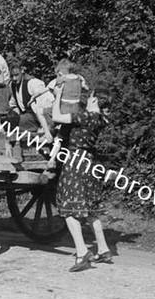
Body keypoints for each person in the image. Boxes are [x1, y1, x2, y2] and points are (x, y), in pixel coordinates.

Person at [52, 85, 113, 272]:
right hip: (90, 162)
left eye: (91, 97)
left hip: (75, 161)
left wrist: (58, 95)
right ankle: (103, 249)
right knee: (90, 207)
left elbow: (56, 117)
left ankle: (82, 252)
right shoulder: (102, 119)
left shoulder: (84, 117)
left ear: (94, 100)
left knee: (69, 209)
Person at [8, 61, 55, 142]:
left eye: (16, 75)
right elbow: (14, 104)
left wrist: (44, 125)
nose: (14, 78)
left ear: (22, 72)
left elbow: (45, 103)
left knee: (8, 123)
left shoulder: (33, 83)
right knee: (6, 121)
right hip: (26, 117)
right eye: (12, 76)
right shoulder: (13, 85)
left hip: (38, 118)